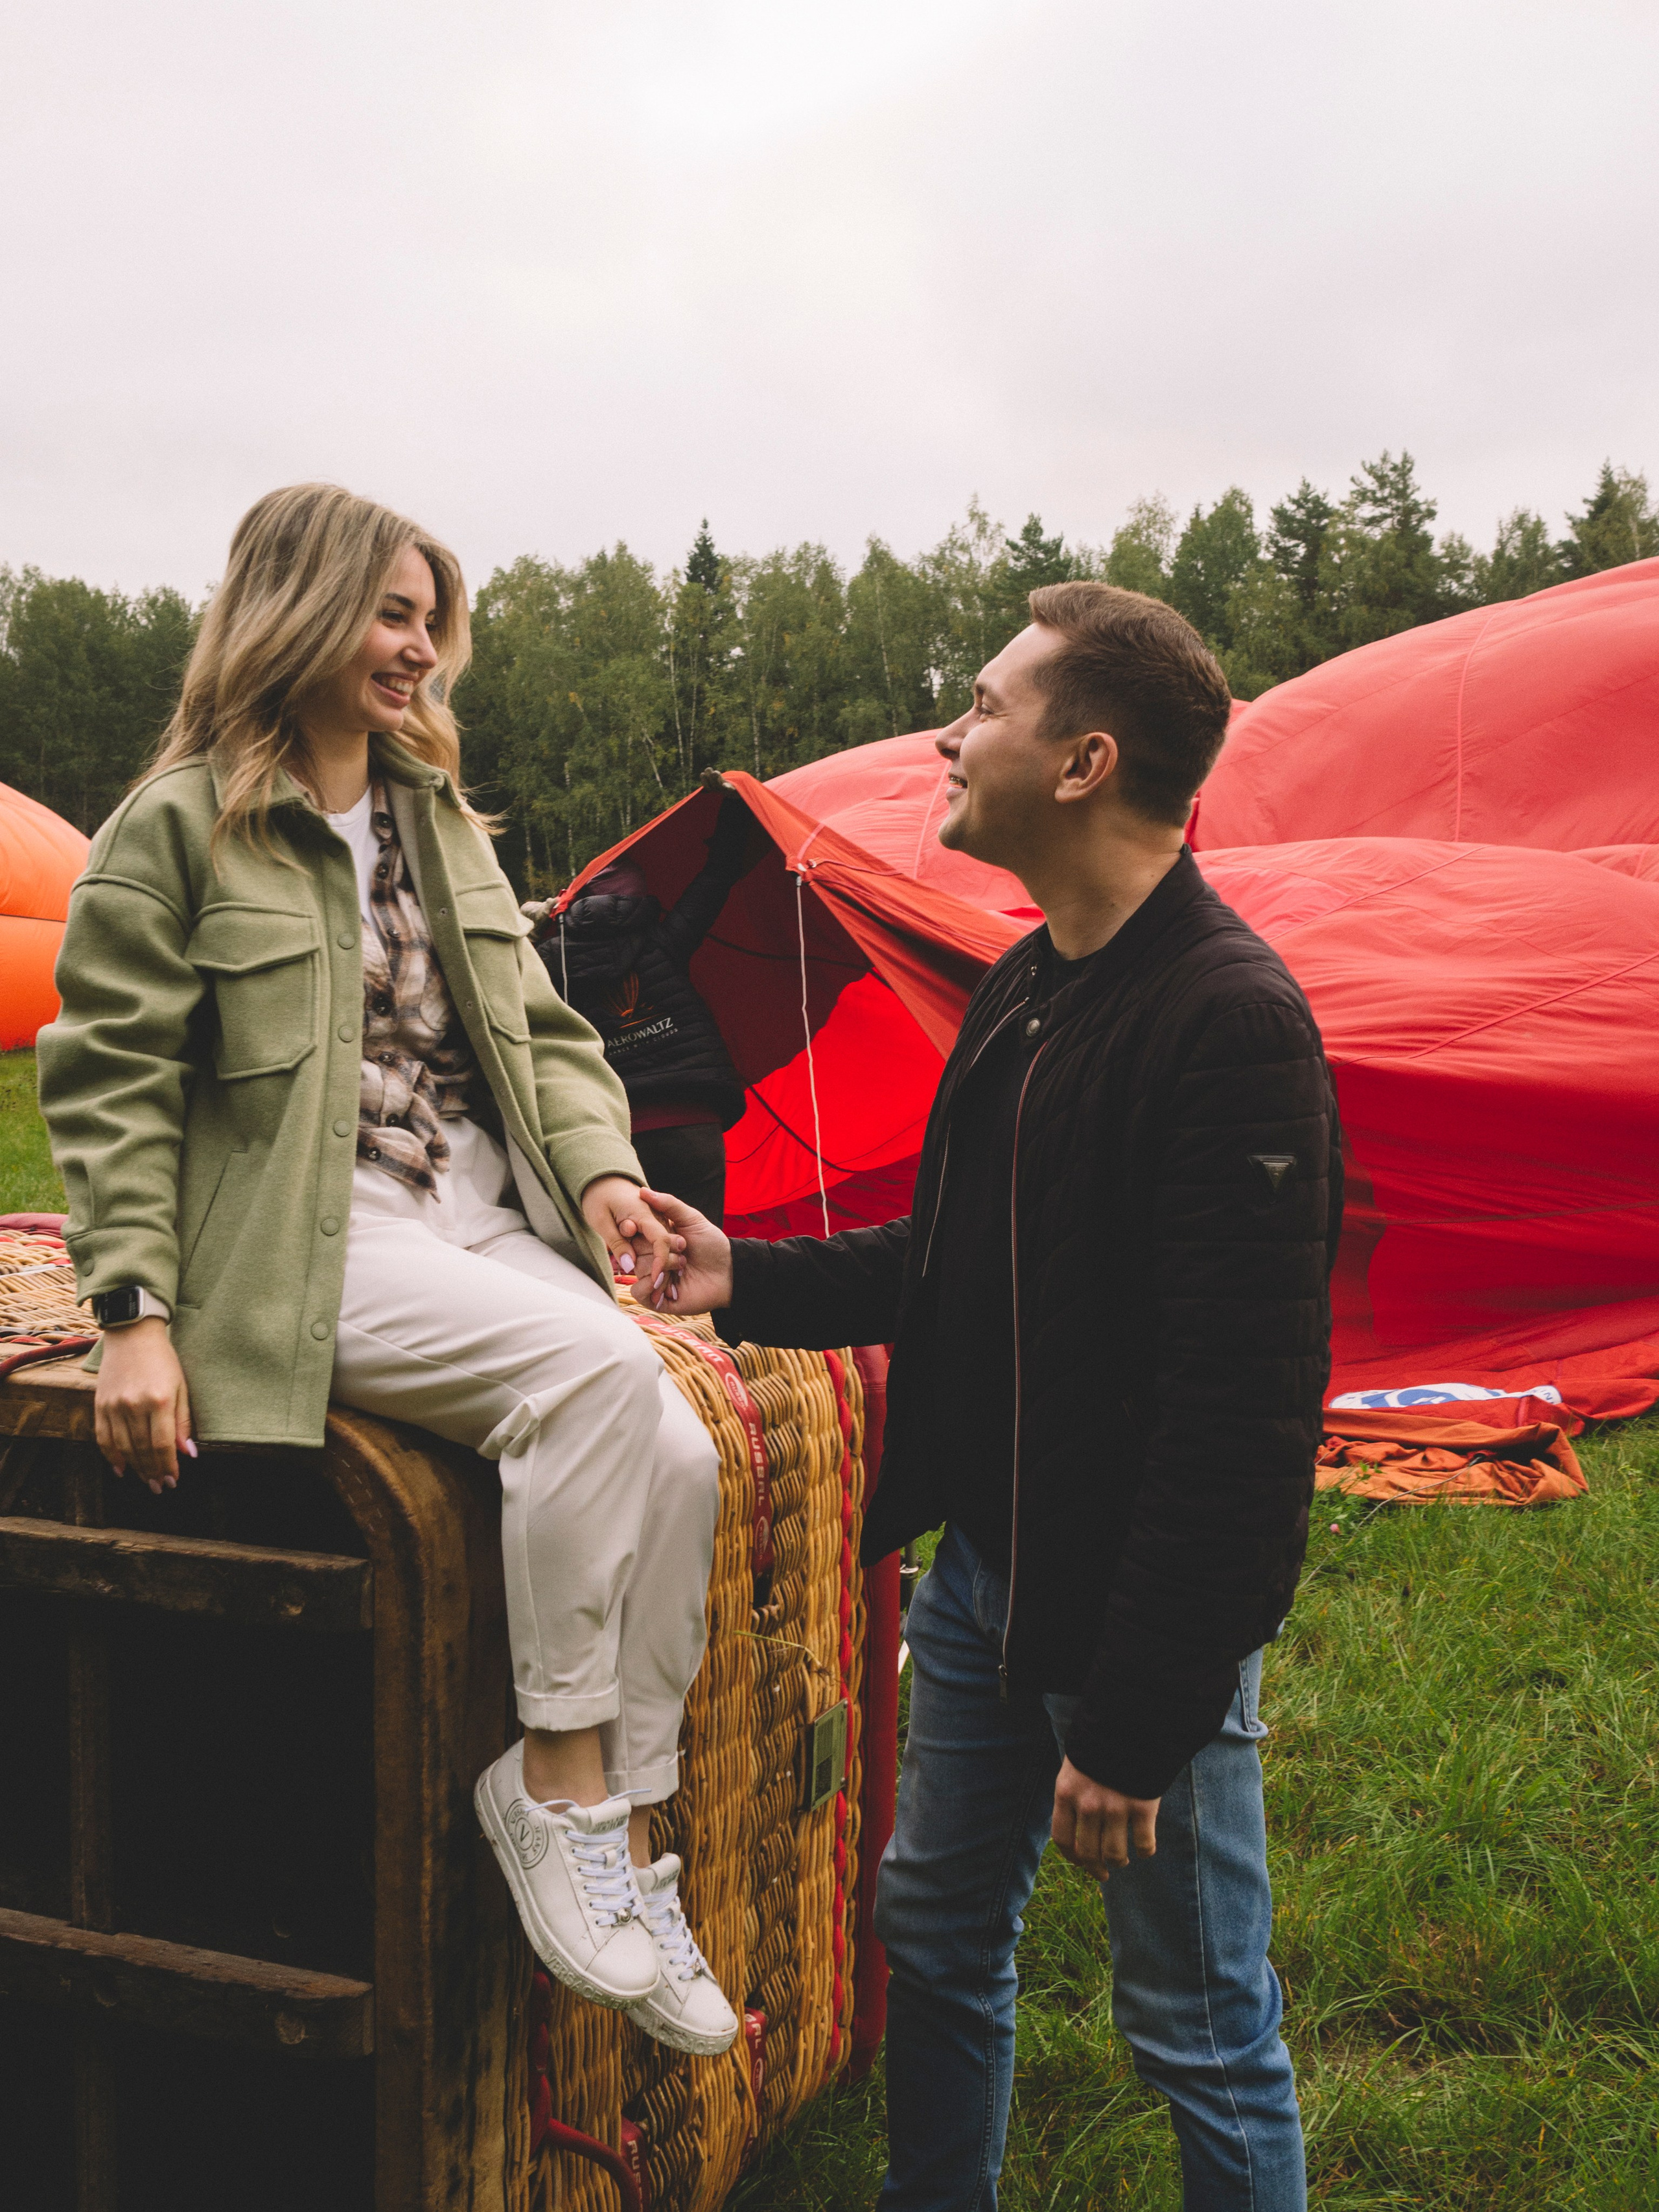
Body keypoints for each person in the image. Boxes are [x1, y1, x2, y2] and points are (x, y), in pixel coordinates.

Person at [654, 581, 1343, 2208]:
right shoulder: (1028, 983)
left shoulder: (1228, 1025)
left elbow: (1240, 1424)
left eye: (982, 707)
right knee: (934, 1933)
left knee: (1192, 2021)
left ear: (1084, 762)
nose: (945, 739)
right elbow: (952, 1254)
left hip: (1128, 1613)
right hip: (981, 1586)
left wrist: (1136, 1720)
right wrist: (740, 1272)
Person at [35, 483, 734, 2057]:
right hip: (306, 1236)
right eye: (389, 613)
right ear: (297, 611)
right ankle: (552, 1786)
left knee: (679, 1451)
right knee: (595, 1375)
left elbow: (545, 1034)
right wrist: (132, 1312)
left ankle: (627, 1847)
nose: (418, 648)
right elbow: (108, 1078)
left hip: (479, 1207)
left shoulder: (441, 824)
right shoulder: (177, 827)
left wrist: (600, 1169)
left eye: (431, 621)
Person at [525, 790, 759, 1224]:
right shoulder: (664, 942)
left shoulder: (546, 963)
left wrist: (524, 933)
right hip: (693, 1123)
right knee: (700, 1248)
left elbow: (489, 988)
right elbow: (716, 878)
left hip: (612, 1137)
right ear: (639, 900)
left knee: (628, 1253)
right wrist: (736, 809)